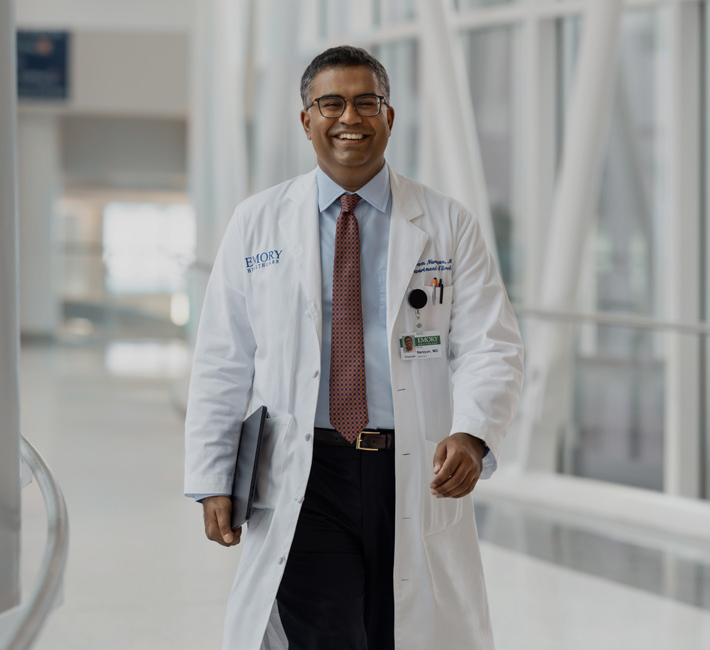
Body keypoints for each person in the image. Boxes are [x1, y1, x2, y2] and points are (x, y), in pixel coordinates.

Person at [184, 45, 523, 650]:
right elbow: (222, 359)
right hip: (304, 470)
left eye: (367, 102)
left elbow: (490, 344)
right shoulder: (257, 223)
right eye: (331, 104)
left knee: (399, 629)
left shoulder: (447, 223)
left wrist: (473, 433)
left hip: (412, 468)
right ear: (306, 119)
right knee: (324, 634)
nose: (350, 117)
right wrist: (212, 474)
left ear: (389, 116)